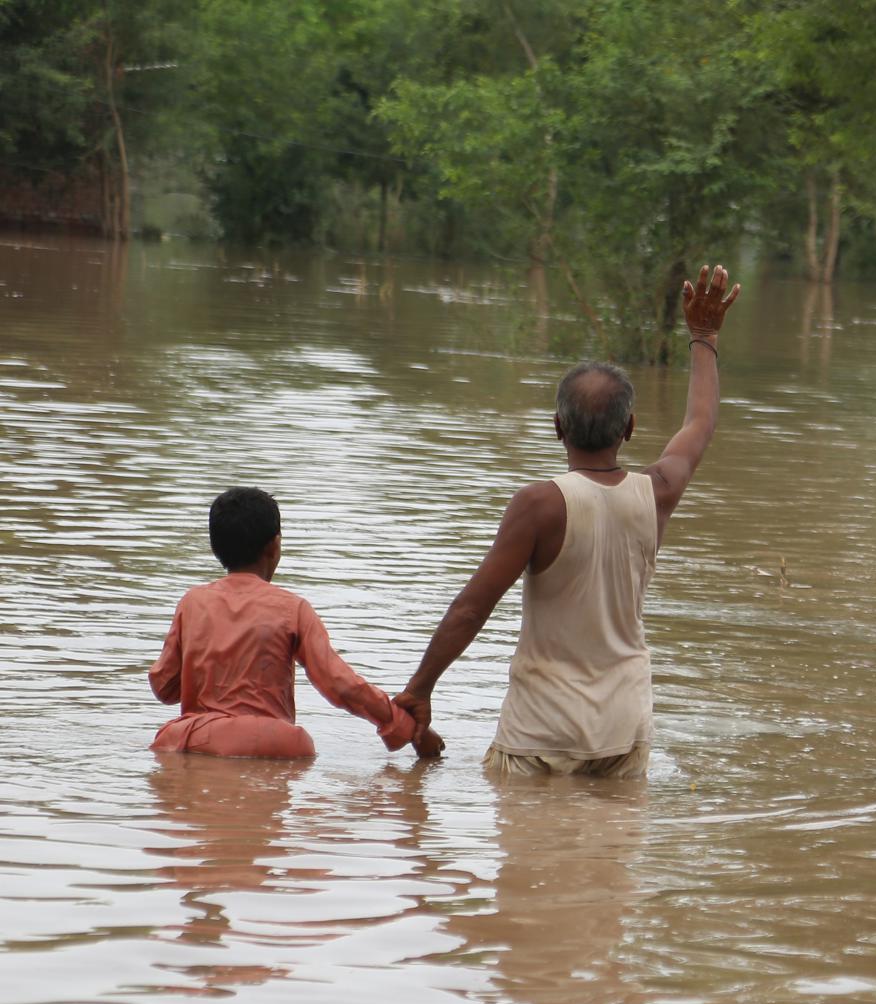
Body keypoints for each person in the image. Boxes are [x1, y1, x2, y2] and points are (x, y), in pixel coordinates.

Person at [396, 265, 741, 778]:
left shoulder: (540, 505)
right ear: (629, 427)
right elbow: (700, 422)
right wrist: (704, 337)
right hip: (623, 729)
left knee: (528, 855)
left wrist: (420, 688)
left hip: (541, 729)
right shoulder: (658, 492)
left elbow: (472, 609)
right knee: (610, 853)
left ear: (557, 427)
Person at [149, 487, 425, 759]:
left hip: (201, 741)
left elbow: (164, 687)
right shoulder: (293, 608)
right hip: (276, 743)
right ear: (275, 545)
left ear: (214, 547)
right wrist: (404, 725)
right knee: (299, 748)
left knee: (169, 740)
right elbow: (340, 684)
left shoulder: (193, 602)